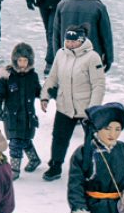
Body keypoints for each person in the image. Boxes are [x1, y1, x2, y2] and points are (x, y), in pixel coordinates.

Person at [40, 26, 106, 181]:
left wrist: (93, 109)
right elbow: (52, 77)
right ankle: (55, 166)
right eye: (67, 41)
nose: (69, 44)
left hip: (85, 109)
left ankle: (87, 168)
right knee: (59, 137)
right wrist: (45, 97)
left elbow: (98, 85)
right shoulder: (61, 54)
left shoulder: (92, 57)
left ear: (81, 41)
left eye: (72, 41)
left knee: (89, 141)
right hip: (64, 105)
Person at [0, 42, 43, 179]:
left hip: (28, 117)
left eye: (25, 60)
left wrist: (48, 94)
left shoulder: (33, 76)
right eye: (20, 60)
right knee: (15, 143)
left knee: (25, 140)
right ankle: (14, 170)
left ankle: (34, 159)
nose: (22, 64)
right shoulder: (7, 77)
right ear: (15, 60)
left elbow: (38, 91)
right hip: (12, 118)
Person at [51, 0, 115, 72]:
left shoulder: (62, 5)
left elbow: (56, 35)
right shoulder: (98, 6)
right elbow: (106, 36)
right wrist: (109, 59)